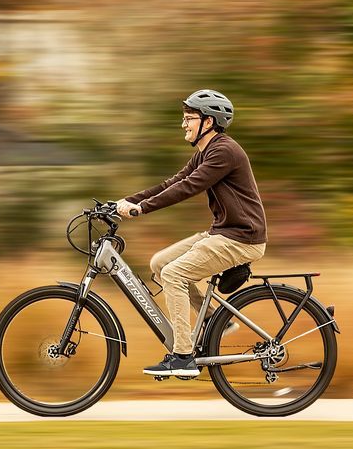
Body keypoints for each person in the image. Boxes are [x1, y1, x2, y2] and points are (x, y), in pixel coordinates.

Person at [114, 90, 268, 377]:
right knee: (160, 263)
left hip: (241, 238)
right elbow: (171, 183)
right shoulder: (206, 151)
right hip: (224, 233)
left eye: (189, 119)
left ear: (208, 122)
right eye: (183, 118)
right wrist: (125, 202)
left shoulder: (224, 151)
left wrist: (142, 209)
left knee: (174, 274)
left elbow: (189, 187)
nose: (183, 124)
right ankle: (214, 320)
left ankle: (183, 356)